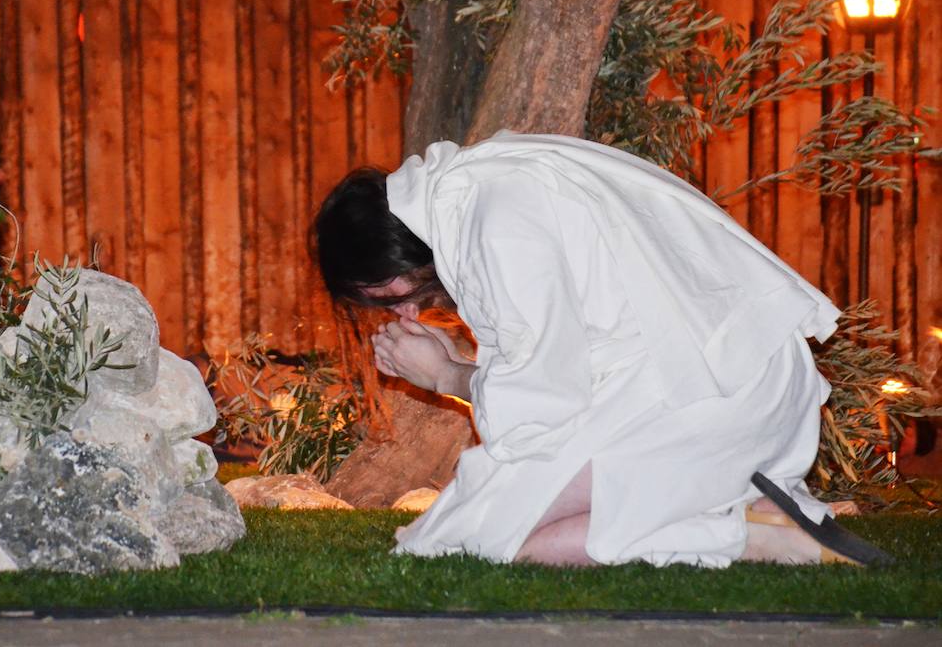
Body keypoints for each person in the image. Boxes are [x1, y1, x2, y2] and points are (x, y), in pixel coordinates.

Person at [314, 131, 893, 567]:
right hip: (700, 377)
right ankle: (746, 512)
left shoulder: (493, 221)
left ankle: (748, 538)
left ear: (388, 260)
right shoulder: (476, 191)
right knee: (470, 527)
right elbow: (554, 363)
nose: (399, 311)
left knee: (477, 539)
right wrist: (460, 365)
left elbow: (544, 405)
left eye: (382, 296)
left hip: (713, 391)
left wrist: (444, 374)